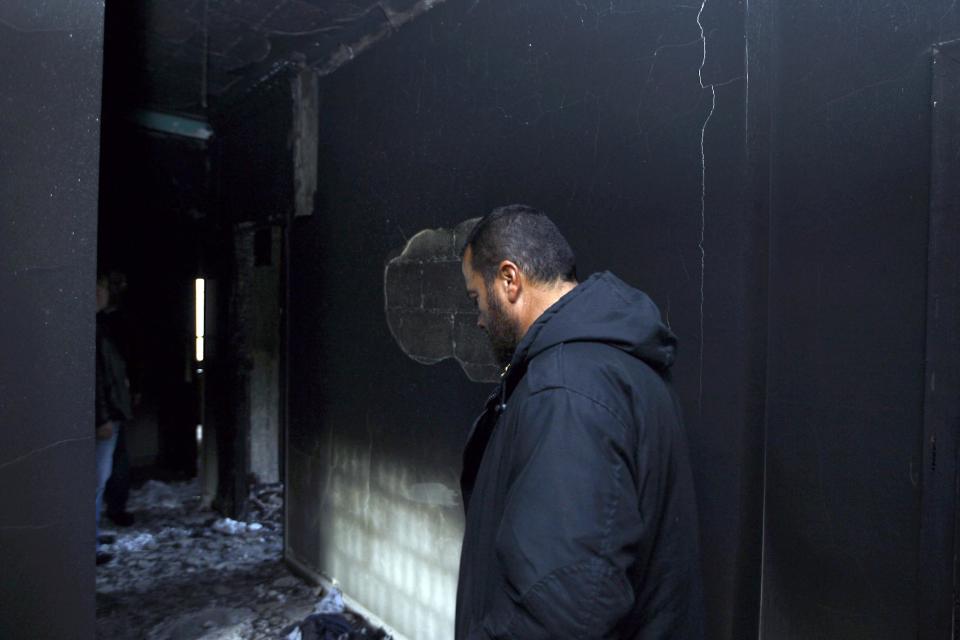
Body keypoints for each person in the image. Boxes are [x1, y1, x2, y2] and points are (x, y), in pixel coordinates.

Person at [456, 205, 704, 639]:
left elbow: (561, 610)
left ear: (509, 280)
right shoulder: (612, 364)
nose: (478, 318)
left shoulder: (567, 391)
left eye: (476, 297)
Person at [95, 272, 134, 565]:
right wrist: (101, 417)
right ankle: (88, 540)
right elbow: (96, 380)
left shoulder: (104, 325)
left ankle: (92, 534)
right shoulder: (93, 327)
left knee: (102, 475)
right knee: (95, 479)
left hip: (111, 410)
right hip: (104, 415)